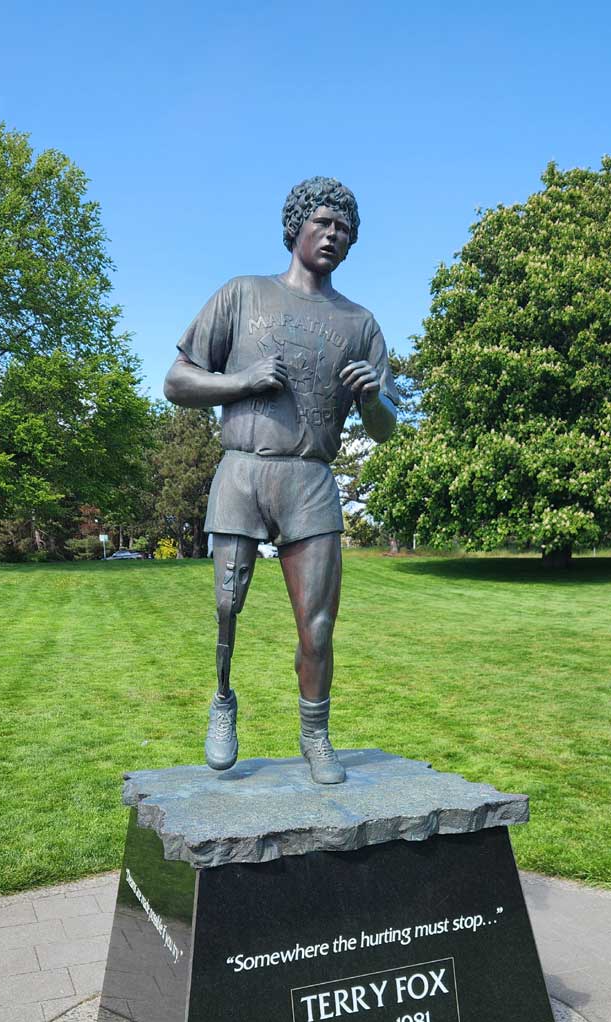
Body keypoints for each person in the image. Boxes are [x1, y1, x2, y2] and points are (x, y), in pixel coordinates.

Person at [164, 177, 398, 784]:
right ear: (296, 225)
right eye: (323, 223)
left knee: (318, 623)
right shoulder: (243, 295)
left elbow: (386, 428)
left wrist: (372, 400)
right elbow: (177, 381)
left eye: (344, 229)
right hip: (244, 470)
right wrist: (242, 381)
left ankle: (316, 735)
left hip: (311, 480)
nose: (333, 235)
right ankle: (222, 700)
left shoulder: (360, 323)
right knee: (226, 605)